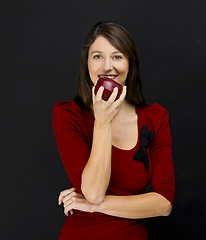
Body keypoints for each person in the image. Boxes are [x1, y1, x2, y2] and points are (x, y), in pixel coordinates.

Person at [52, 21, 175, 240]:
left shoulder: (155, 118)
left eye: (117, 56)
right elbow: (94, 192)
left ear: (130, 64)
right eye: (97, 56)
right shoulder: (69, 116)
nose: (107, 66)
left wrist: (92, 206)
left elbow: (164, 203)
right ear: (86, 64)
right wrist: (103, 122)